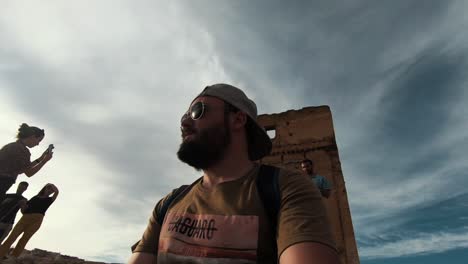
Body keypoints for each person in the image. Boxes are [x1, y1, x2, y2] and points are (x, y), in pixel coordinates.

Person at [128, 84, 339, 264]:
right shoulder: (168, 204)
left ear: (238, 119)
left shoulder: (287, 189)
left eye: (197, 111)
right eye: (184, 116)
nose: (184, 123)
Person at [0, 183, 59, 259]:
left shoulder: (50, 199)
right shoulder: (35, 197)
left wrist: (50, 184)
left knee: (25, 239)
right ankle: (1, 254)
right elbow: (24, 211)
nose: (50, 191)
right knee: (12, 236)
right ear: (44, 189)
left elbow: (57, 192)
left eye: (51, 190)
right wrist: (22, 205)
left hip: (37, 219)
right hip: (25, 217)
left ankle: (13, 257)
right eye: (48, 188)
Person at [0, 124, 53, 201]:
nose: (38, 144)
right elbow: (29, 173)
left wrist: (41, 158)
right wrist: (44, 161)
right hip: (3, 182)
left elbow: (25, 168)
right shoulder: (23, 151)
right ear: (32, 136)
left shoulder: (12, 146)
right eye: (38, 140)